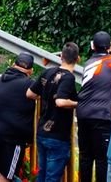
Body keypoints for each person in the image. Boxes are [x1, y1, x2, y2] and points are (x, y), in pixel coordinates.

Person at [78, 31, 111, 182]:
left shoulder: (88, 63)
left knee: (85, 157)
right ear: (109, 46)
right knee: (101, 159)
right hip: (100, 115)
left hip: (82, 114)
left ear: (92, 46)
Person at [27, 42, 80, 182]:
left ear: (61, 56)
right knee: (52, 178)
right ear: (78, 59)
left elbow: (30, 94)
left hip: (42, 131)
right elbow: (61, 102)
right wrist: (77, 104)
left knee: (42, 174)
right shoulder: (68, 77)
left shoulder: (48, 72)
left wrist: (45, 96)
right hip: (57, 134)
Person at [0, 52, 36, 182]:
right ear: (31, 70)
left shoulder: (0, 79)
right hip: (12, 138)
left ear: (13, 64)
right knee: (6, 177)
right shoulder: (29, 84)